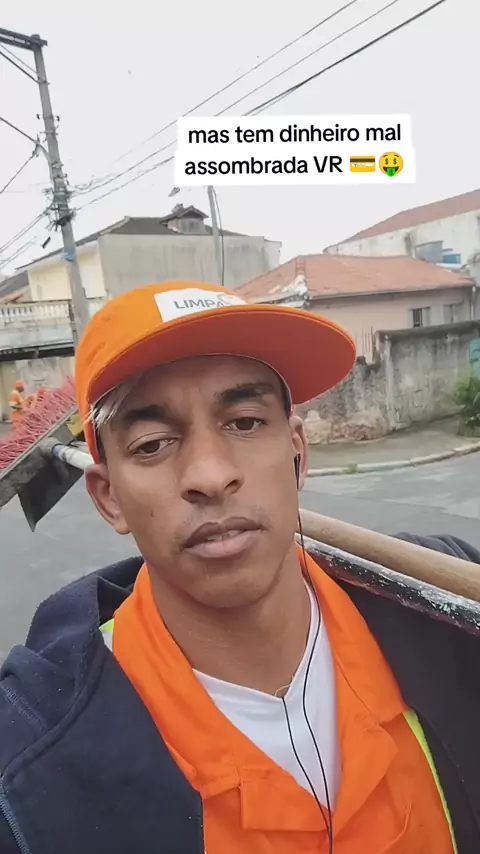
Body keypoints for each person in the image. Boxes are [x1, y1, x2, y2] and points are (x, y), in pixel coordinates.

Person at [1, 280, 480, 854]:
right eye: (152, 443)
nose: (210, 475)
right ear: (109, 498)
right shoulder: (31, 771)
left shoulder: (448, 617)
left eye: (246, 422)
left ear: (298, 453)